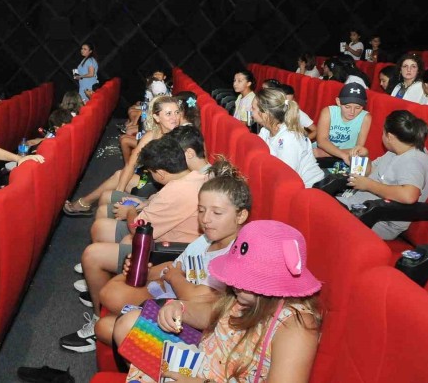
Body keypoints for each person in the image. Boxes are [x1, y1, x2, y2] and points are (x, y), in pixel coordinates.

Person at [116, 220, 322, 383]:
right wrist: (179, 307)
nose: (233, 282)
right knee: (130, 323)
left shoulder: (295, 325)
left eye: (244, 277)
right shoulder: (243, 296)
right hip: (199, 364)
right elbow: (214, 315)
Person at [60, 136, 208, 353]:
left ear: (160, 173)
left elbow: (138, 228)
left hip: (163, 251)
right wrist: (143, 204)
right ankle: (98, 290)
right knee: (101, 227)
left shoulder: (175, 191)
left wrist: (130, 211)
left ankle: (97, 316)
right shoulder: (195, 177)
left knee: (92, 255)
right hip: (167, 242)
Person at [95, 156, 250, 345]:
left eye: (217, 213)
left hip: (193, 323)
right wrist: (144, 272)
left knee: (108, 322)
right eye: (201, 210)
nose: (205, 219)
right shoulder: (206, 239)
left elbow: (196, 298)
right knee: (110, 299)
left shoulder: (236, 255)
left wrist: (175, 277)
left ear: (241, 215)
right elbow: (174, 266)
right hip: (170, 295)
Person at [63, 96, 180, 216]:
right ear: (156, 117)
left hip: (167, 190)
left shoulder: (183, 138)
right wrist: (119, 192)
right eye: (169, 114)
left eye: (177, 112)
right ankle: (87, 204)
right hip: (153, 182)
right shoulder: (151, 135)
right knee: (117, 182)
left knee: (109, 194)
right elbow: (131, 163)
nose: (174, 118)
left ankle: (86, 204)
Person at [337, 110, 428, 240]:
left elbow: (409, 196)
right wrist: (364, 157)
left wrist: (369, 185)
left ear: (390, 137)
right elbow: (370, 172)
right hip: (357, 206)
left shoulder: (414, 160)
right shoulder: (395, 152)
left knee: (322, 216)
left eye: (383, 132)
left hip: (377, 219)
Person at [252, 89, 325, 188]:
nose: (251, 112)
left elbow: (286, 177)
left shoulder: (289, 139)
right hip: (291, 184)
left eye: (253, 109)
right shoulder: (265, 131)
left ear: (266, 113)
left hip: (310, 188)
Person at [314, 83, 372, 164]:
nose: (352, 112)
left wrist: (325, 153)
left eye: (358, 107)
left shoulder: (365, 118)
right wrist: (342, 155)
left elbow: (358, 149)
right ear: (338, 102)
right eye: (347, 107)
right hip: (336, 155)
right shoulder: (328, 112)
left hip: (338, 156)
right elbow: (322, 141)